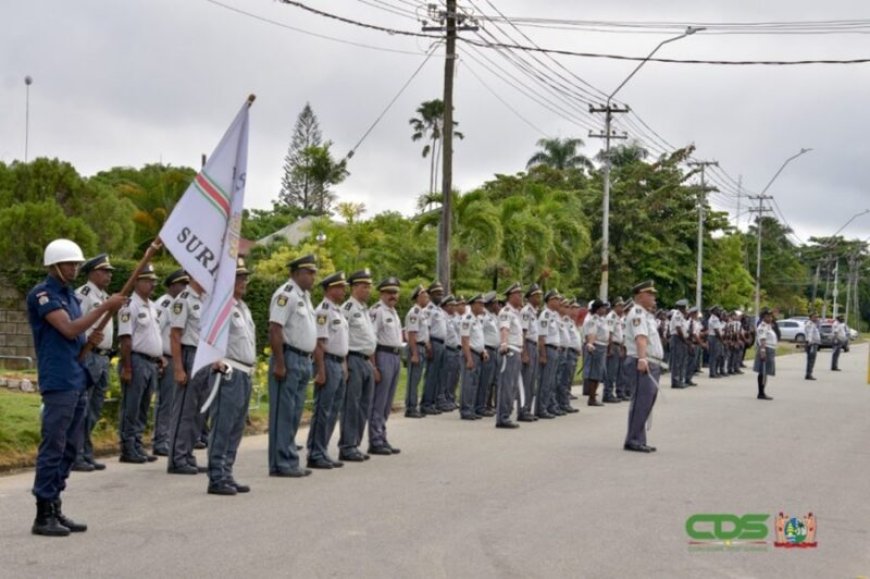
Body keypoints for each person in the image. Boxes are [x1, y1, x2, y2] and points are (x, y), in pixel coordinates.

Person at [27, 239, 125, 536]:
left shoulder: (69, 295)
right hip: (59, 380)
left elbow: (75, 334)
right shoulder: (42, 294)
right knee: (54, 445)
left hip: (77, 375)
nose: (75, 268)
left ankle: (55, 503)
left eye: (76, 263)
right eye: (70, 263)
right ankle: (43, 513)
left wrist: (89, 340)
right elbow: (68, 328)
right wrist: (105, 307)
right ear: (54, 264)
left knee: (71, 446)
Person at [206, 257, 256, 495]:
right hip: (229, 371)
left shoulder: (242, 307)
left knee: (236, 426)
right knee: (223, 425)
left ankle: (227, 472)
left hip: (245, 371)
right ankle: (216, 476)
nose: (244, 281)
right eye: (239, 277)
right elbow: (207, 336)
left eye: (245, 277)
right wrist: (217, 362)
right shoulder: (219, 306)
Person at [268, 254, 318, 478]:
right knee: (284, 413)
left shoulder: (305, 297)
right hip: (288, 358)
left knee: (295, 412)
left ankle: (288, 457)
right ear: (296, 273)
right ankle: (281, 462)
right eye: (309, 272)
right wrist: (280, 363)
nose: (313, 276)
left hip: (303, 359)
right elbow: (275, 329)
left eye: (314, 272)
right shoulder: (285, 295)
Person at [72, 253, 116, 472]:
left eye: (109, 271)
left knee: (95, 408)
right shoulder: (85, 294)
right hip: (89, 354)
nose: (108, 275)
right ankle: (76, 453)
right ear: (92, 272)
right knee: (83, 405)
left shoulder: (105, 296)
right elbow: (76, 323)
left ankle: (85, 451)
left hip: (103, 356)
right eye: (104, 271)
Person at [117, 264, 162, 465]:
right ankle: (127, 447)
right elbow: (126, 338)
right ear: (136, 282)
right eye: (147, 280)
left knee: (143, 407)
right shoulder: (129, 305)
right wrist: (127, 367)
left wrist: (159, 355)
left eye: (153, 281)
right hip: (135, 360)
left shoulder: (151, 306)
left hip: (150, 363)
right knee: (131, 406)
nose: (152, 284)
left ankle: (137, 444)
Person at [307, 271, 349, 470]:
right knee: (323, 409)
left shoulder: (338, 311)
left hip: (338, 362)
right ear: (330, 289)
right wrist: (321, 370)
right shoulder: (323, 311)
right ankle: (315, 452)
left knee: (333, 409)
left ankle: (322, 449)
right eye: (340, 287)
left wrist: (344, 365)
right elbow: (319, 343)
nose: (343, 290)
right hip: (328, 362)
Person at [166, 277, 209, 474]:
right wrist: (178, 368)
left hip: (203, 356)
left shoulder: (205, 299)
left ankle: (187, 453)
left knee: (198, 412)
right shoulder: (183, 299)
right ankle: (177, 458)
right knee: (184, 410)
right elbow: (175, 335)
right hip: (189, 354)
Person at [338, 269, 377, 462]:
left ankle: (355, 443)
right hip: (353, 359)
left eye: (369, 286)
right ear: (354, 288)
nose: (368, 290)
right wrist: (345, 364)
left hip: (366, 360)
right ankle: (347, 445)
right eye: (364, 286)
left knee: (364, 405)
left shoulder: (364, 309)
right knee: (351, 405)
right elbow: (341, 337)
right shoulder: (348, 309)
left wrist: (372, 364)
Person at [623, 280, 663, 453]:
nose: (653, 297)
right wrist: (642, 359)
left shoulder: (647, 315)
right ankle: (632, 439)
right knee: (641, 401)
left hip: (652, 361)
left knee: (646, 401)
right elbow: (641, 338)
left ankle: (639, 438)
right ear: (640, 296)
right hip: (642, 361)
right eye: (650, 294)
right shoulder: (637, 313)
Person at [152, 269, 189, 457]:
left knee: (174, 402)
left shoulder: (178, 304)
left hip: (176, 358)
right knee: (165, 402)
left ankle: (168, 437)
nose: (185, 288)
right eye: (182, 284)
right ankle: (160, 440)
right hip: (166, 357)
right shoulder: (165, 304)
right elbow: (155, 331)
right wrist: (160, 356)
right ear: (172, 285)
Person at [369, 277, 404, 455]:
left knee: (388, 400)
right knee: (380, 400)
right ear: (381, 293)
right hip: (382, 355)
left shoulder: (393, 312)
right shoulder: (377, 311)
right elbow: (371, 340)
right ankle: (375, 440)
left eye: (395, 292)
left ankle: (382, 436)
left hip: (395, 356)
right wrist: (374, 367)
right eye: (389, 292)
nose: (393, 296)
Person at [495, 283, 524, 429]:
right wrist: (504, 344)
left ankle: (506, 415)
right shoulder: (506, 311)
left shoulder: (515, 313)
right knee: (506, 385)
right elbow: (504, 329)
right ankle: (502, 417)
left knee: (512, 386)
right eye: (518, 294)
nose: (521, 297)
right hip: (509, 351)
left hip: (516, 351)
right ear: (511, 296)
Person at [459, 294, 488, 420]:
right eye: (480, 304)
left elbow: (478, 339)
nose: (483, 306)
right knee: (468, 383)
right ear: (473, 305)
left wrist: (483, 351)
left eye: (483, 304)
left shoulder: (477, 320)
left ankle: (471, 408)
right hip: (470, 353)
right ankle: (465, 410)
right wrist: (469, 358)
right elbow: (465, 340)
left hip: (478, 354)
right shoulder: (467, 319)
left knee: (474, 383)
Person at [404, 285, 430, 418]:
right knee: (412, 380)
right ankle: (410, 407)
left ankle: (414, 406)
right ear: (418, 297)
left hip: (421, 347)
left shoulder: (421, 312)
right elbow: (412, 334)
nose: (427, 298)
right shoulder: (414, 312)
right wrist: (414, 353)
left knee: (417, 378)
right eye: (425, 295)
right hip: (415, 347)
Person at [420, 281, 447, 415]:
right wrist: (428, 345)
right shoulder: (428, 310)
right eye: (437, 293)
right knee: (431, 375)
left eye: (441, 293)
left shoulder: (440, 310)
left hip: (442, 344)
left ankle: (434, 402)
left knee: (438, 375)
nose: (440, 296)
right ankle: (426, 403)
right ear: (430, 295)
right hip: (434, 343)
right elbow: (427, 329)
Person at [536, 290, 562, 419]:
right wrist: (543, 355)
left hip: (555, 349)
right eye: (556, 299)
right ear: (550, 301)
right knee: (545, 381)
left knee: (551, 381)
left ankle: (548, 406)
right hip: (548, 349)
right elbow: (541, 337)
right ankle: (541, 408)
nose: (559, 302)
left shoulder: (555, 315)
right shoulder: (545, 314)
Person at [519, 284, 541, 421]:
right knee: (526, 380)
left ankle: (527, 409)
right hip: (528, 346)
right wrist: (524, 352)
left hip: (534, 346)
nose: (539, 298)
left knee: (532, 381)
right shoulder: (526, 312)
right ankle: (522, 411)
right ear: (531, 297)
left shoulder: (534, 312)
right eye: (537, 295)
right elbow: (523, 333)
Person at [476, 292, 500, 418]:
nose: (498, 305)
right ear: (491, 304)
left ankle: (488, 405)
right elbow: (479, 332)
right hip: (488, 350)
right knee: (485, 380)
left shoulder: (492, 316)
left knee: (492, 380)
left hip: (494, 350)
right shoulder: (484, 316)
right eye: (496, 302)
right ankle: (482, 405)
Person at [582, 300, 609, 406]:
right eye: (603, 307)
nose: (605, 309)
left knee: (598, 373)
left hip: (602, 346)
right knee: (594, 374)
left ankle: (593, 397)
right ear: (598, 309)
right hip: (596, 346)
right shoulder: (593, 319)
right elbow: (592, 333)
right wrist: (591, 344)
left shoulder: (601, 319)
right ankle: (591, 398)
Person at [603, 298, 626, 403]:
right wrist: (610, 349)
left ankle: (616, 392)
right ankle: (607, 394)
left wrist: (621, 348)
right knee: (611, 372)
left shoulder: (617, 317)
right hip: (613, 346)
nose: (622, 308)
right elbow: (610, 334)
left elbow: (619, 335)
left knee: (618, 371)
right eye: (620, 306)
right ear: (615, 306)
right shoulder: (611, 316)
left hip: (617, 346)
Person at [754, 309, 777, 400]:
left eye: (771, 316)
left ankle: (763, 391)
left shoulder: (768, 326)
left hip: (770, 349)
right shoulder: (762, 326)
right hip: (765, 349)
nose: (770, 318)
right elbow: (762, 339)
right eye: (768, 316)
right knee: (763, 371)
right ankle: (761, 393)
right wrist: (763, 351)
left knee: (765, 372)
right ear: (763, 317)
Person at [668, 299, 688, 389]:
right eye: (685, 307)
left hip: (680, 339)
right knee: (676, 361)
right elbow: (679, 329)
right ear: (682, 307)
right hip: (677, 339)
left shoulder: (682, 316)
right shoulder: (677, 315)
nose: (686, 309)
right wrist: (684, 340)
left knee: (681, 361)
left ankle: (680, 380)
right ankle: (675, 381)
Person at [805, 312, 821, 380]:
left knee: (810, 360)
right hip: (812, 344)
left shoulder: (813, 324)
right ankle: (809, 374)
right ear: (811, 317)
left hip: (813, 343)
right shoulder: (810, 324)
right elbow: (810, 333)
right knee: (811, 360)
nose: (817, 318)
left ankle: (808, 373)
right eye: (815, 317)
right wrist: (810, 342)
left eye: (817, 317)